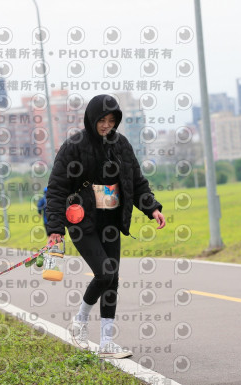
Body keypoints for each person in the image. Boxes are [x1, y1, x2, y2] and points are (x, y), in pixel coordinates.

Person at [45, 94, 166, 359]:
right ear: (91, 118)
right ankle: (80, 321)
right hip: (82, 221)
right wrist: (55, 228)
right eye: (102, 120)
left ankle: (107, 342)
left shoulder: (121, 144)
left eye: (112, 120)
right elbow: (56, 189)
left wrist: (152, 208)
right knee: (105, 273)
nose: (106, 125)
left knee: (113, 279)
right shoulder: (74, 146)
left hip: (111, 220)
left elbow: (136, 181)